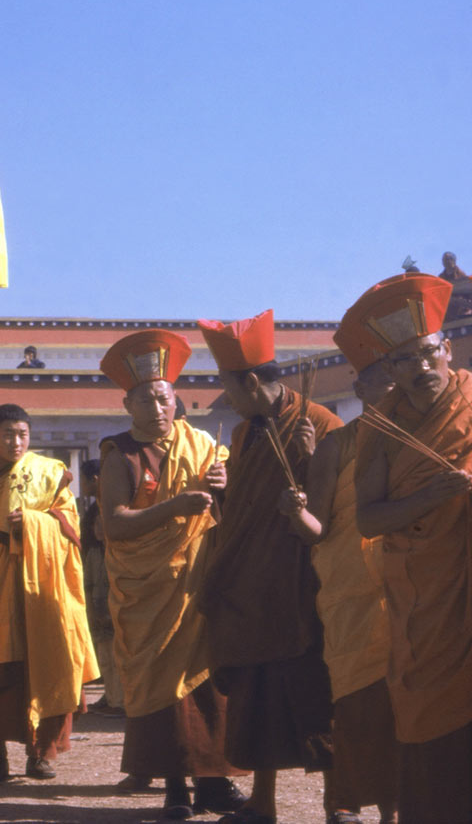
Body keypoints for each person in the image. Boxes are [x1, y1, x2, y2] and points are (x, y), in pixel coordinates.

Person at [98, 329, 247, 819]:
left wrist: (224, 487)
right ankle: (175, 786)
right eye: (146, 400)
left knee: (207, 683)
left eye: (164, 398)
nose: (158, 409)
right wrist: (176, 506)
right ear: (128, 405)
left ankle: (214, 782)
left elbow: (231, 507)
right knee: (162, 685)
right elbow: (114, 526)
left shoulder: (201, 443)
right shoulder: (119, 453)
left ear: (176, 400)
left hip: (199, 584)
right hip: (149, 591)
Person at [197, 309, 338, 823]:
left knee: (314, 700)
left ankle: (336, 806)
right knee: (258, 702)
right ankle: (264, 803)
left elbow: (338, 508)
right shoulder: (244, 434)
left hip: (302, 590)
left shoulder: (319, 424)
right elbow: (244, 510)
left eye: (227, 387)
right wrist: (222, 491)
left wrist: (317, 457)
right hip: (252, 592)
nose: (225, 397)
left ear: (251, 381)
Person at [350, 274, 472, 824]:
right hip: (425, 597)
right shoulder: (379, 426)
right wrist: (430, 497)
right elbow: (368, 518)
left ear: (447, 349)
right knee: (429, 711)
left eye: (428, 354)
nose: (423, 369)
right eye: (405, 361)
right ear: (390, 372)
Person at [277, 313, 400, 824]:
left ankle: (398, 810)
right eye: (381, 378)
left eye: (400, 374)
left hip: (412, 592)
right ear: (360, 386)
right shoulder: (339, 445)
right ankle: (343, 802)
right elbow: (319, 528)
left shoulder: (429, 441)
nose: (394, 386)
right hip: (353, 593)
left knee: (406, 706)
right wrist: (293, 510)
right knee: (355, 705)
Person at [0, 403, 99, 782]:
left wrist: (34, 523)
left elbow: (71, 527)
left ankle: (40, 755)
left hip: (41, 586)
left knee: (46, 660)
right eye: (7, 433)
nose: (16, 441)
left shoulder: (50, 472)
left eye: (22, 434)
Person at [78, 458, 121, 715]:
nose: (82, 485)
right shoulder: (96, 506)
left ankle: (119, 698)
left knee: (114, 646)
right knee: (103, 646)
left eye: (83, 480)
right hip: (95, 566)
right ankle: (111, 694)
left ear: (95, 479)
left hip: (108, 567)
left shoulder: (107, 504)